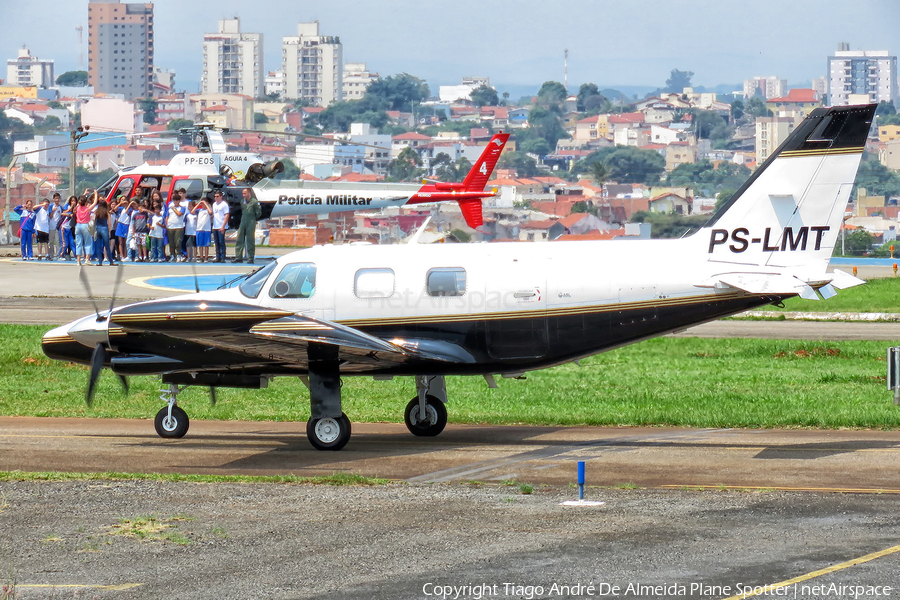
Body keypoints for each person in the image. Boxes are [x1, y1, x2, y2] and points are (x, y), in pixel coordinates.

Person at [232, 187, 260, 264]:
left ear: (249, 193)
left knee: (250, 240)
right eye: (243, 193)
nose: (243, 195)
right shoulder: (242, 202)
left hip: (251, 221)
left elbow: (258, 213)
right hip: (243, 221)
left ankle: (250, 258)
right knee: (239, 239)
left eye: (245, 193)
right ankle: (238, 257)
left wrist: (253, 220)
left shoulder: (254, 202)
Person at [92, 197, 116, 266]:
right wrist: (109, 231)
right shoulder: (106, 212)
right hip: (104, 228)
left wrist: (93, 231)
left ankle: (100, 261)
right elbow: (110, 223)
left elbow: (93, 220)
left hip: (97, 228)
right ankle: (111, 261)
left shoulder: (96, 211)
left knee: (98, 246)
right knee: (107, 246)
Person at [165, 190, 186, 262]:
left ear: (179, 201)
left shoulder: (182, 208)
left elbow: (179, 214)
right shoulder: (169, 208)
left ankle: (179, 255)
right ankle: (172, 255)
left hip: (179, 227)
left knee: (178, 242)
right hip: (170, 227)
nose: (175, 201)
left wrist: (174, 208)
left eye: (177, 200)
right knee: (171, 243)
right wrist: (167, 224)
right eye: (174, 200)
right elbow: (167, 217)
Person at [74, 194, 93, 266]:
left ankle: (78, 261)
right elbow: (94, 203)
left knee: (79, 243)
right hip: (85, 225)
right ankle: (87, 259)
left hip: (78, 225)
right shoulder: (87, 209)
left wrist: (84, 194)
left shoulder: (77, 208)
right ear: (86, 202)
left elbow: (79, 202)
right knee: (88, 242)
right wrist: (96, 194)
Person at [193, 196, 213, 263]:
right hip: (199, 229)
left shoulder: (208, 210)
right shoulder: (199, 210)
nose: (203, 205)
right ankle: (201, 257)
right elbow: (192, 211)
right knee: (200, 245)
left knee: (206, 245)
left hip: (206, 229)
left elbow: (210, 212)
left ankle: (206, 257)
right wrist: (198, 204)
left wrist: (206, 204)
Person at [212, 191, 229, 262]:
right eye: (215, 196)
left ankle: (223, 257)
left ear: (221, 196)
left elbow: (227, 215)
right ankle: (217, 256)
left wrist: (223, 226)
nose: (216, 198)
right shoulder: (214, 204)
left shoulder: (224, 204)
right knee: (216, 242)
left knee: (221, 242)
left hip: (221, 225)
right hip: (215, 226)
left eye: (217, 196)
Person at [58, 196, 77, 260]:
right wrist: (70, 211)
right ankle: (60, 256)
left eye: (74, 201)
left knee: (72, 243)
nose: (73, 202)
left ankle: (76, 256)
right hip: (64, 228)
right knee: (65, 244)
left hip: (69, 229)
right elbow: (63, 213)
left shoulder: (77, 209)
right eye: (72, 201)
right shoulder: (68, 207)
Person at [48, 193, 62, 259]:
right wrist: (53, 211)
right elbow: (50, 216)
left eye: (58, 198)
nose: (57, 200)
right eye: (56, 198)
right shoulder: (51, 206)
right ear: (53, 199)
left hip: (58, 227)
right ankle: (51, 254)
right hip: (51, 226)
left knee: (58, 241)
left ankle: (58, 255)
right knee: (51, 241)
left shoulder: (60, 207)